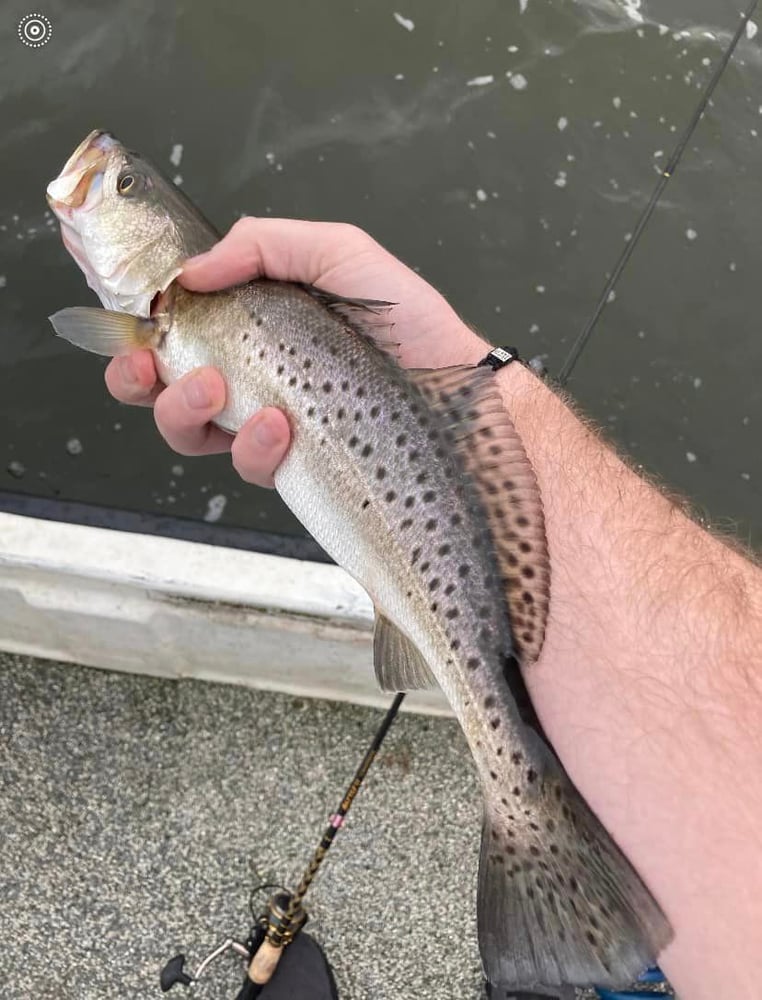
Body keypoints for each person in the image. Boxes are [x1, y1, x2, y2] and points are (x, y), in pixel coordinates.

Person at [105, 219, 762, 1000]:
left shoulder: (183, 294)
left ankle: (595, 948)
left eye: (122, 189)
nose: (101, 186)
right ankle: (609, 963)